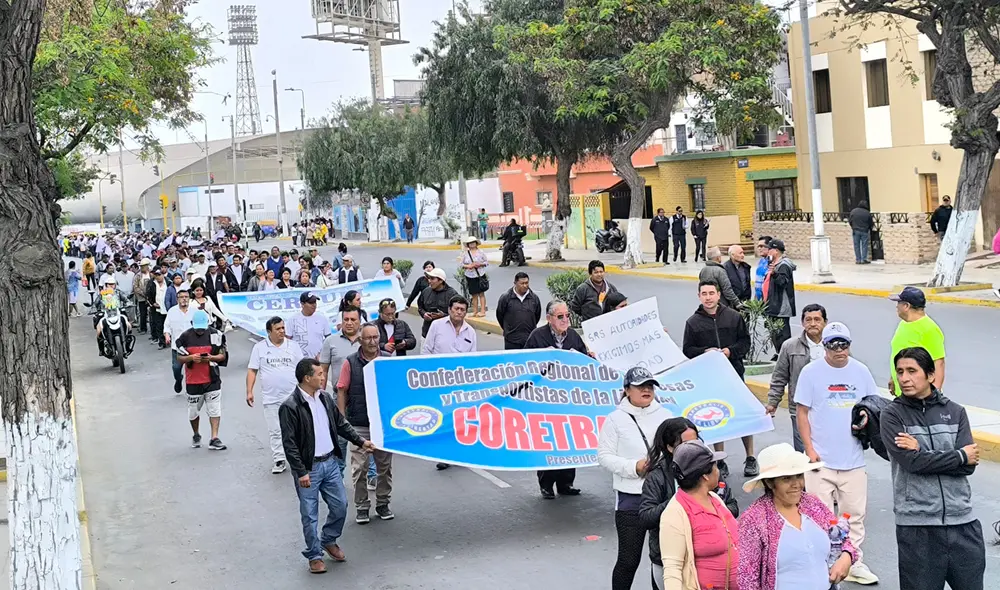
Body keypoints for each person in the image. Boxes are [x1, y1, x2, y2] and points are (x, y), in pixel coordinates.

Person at [880, 347, 985, 590]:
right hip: (917, 528)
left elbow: (969, 467)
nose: (904, 378)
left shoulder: (956, 412)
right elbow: (912, 464)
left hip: (963, 522)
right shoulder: (892, 415)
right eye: (900, 372)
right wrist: (959, 456)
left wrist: (923, 451)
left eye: (911, 371)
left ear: (930, 375)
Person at [794, 321, 880, 585]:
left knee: (854, 515)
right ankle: (823, 561)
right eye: (834, 345)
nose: (840, 350)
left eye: (844, 344)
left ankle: (854, 561)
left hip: (853, 460)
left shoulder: (861, 372)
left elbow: (874, 407)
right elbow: (802, 413)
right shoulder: (811, 373)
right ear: (825, 346)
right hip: (822, 460)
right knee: (821, 516)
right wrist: (809, 449)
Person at [280, 358, 376, 574]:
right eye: (319, 374)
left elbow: (340, 424)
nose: (323, 377)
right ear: (307, 378)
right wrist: (300, 471)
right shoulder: (290, 406)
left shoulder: (324, 398)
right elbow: (290, 443)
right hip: (309, 469)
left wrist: (361, 442)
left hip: (331, 463)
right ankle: (314, 555)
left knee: (340, 505)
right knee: (310, 514)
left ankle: (329, 539)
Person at [737, 443, 856, 590]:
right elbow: (747, 578)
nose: (796, 484)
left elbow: (842, 538)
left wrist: (846, 556)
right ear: (769, 482)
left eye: (799, 476)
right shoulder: (754, 519)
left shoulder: (812, 504)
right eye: (786, 478)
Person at [598, 366, 673, 590]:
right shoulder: (615, 419)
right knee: (629, 560)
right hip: (631, 498)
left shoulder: (667, 416)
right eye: (640, 386)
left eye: (650, 385)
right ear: (627, 390)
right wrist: (634, 467)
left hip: (664, 497)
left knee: (663, 559)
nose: (646, 390)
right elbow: (604, 457)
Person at [682, 281, 757, 477]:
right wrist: (704, 352)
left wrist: (730, 351)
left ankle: (750, 457)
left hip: (734, 374)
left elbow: (745, 343)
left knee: (742, 415)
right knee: (716, 416)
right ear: (699, 296)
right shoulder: (692, 322)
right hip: (709, 378)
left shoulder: (734, 317)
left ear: (718, 295)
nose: (708, 297)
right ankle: (719, 459)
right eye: (704, 293)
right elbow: (687, 350)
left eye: (711, 293)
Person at [524, 300, 589, 498]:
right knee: (549, 444)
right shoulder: (537, 337)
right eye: (560, 316)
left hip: (569, 401)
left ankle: (566, 484)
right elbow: (526, 366)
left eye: (567, 315)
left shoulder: (573, 337)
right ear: (549, 318)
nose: (565, 320)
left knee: (569, 442)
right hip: (546, 402)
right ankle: (546, 484)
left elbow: (584, 363)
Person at [336, 323, 394, 524]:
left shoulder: (387, 360)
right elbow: (341, 390)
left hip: (383, 424)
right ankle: (362, 506)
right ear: (361, 340)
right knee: (359, 468)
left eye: (376, 337)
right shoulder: (350, 363)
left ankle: (383, 503)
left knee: (384, 467)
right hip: (358, 425)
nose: (373, 342)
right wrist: (342, 420)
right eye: (368, 338)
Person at [658, 440, 736, 590]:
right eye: (714, 465)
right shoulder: (674, 513)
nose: (718, 470)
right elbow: (672, 569)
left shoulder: (715, 499)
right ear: (705, 476)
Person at [638, 419, 700, 590]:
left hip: (704, 556)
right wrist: (680, 500)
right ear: (670, 448)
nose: (694, 449)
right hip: (667, 559)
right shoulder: (657, 476)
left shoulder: (708, 470)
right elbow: (646, 517)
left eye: (696, 442)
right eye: (686, 444)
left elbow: (731, 507)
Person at [247, 317, 305, 475]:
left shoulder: (293, 346)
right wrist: (249, 391)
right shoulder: (259, 348)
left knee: (296, 428)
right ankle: (279, 458)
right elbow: (253, 370)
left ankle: (298, 458)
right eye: (278, 329)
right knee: (275, 430)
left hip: (293, 397)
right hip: (271, 397)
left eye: (283, 328)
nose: (282, 331)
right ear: (269, 332)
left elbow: (302, 368)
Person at [766, 303, 827, 452]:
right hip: (800, 408)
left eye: (817, 319)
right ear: (802, 323)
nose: (813, 324)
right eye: (808, 320)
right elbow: (779, 377)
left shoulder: (834, 345)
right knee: (803, 452)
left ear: (825, 322)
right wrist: (772, 403)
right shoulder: (790, 346)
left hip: (828, 406)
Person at [175, 310, 229, 451]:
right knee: (193, 411)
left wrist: (210, 357)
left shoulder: (216, 335)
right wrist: (191, 358)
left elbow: (222, 356)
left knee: (214, 409)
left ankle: (214, 438)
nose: (200, 331)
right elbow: (179, 358)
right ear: (192, 324)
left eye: (202, 328)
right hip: (193, 381)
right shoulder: (185, 337)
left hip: (212, 379)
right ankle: (196, 433)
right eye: (197, 328)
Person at [888, 286, 945, 395]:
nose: (896, 307)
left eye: (898, 303)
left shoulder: (929, 329)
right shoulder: (904, 323)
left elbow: (939, 363)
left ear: (906, 306)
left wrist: (934, 396)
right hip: (903, 391)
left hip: (918, 396)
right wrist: (893, 378)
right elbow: (898, 352)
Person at [763, 239, 796, 354]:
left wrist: (774, 274)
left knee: (782, 335)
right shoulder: (773, 265)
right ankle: (779, 354)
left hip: (781, 307)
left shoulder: (783, 266)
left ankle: (785, 356)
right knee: (774, 333)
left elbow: (783, 282)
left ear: (776, 251)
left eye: (769, 249)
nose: (767, 252)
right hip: (772, 305)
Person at [163, 286, 197, 394]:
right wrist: (167, 335)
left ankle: (191, 388)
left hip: (192, 346)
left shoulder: (194, 311)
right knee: (176, 368)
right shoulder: (172, 311)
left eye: (186, 297)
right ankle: (178, 379)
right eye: (181, 297)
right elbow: (167, 326)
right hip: (177, 347)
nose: (184, 299)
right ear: (177, 299)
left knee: (192, 369)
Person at [495, 272, 542, 350]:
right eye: (522, 283)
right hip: (511, 340)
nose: (525, 285)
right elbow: (500, 315)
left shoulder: (534, 298)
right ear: (515, 283)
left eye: (526, 283)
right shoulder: (506, 298)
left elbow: (537, 316)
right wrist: (508, 329)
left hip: (529, 339)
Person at [287, 292, 332, 360]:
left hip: (318, 360)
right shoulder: (292, 319)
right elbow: (287, 340)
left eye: (315, 302)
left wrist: (322, 353)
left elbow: (328, 339)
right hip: (298, 361)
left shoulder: (322, 318)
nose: (314, 305)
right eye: (311, 303)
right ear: (302, 304)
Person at [417, 267, 459, 337]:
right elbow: (420, 307)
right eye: (429, 278)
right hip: (427, 333)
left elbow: (458, 314)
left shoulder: (452, 294)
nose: (429, 281)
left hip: (446, 334)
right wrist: (424, 314)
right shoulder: (426, 292)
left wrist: (444, 316)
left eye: (432, 279)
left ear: (441, 280)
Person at [461, 236, 490, 317]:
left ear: (476, 243)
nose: (472, 244)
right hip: (470, 275)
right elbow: (461, 264)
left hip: (480, 274)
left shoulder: (481, 252)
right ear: (468, 245)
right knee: (474, 294)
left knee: (481, 293)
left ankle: (483, 311)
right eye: (470, 243)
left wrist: (480, 264)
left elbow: (486, 262)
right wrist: (469, 266)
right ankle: (475, 311)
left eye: (473, 242)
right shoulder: (465, 253)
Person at [146, 268, 169, 348]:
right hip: (157, 309)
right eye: (156, 275)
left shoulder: (168, 283)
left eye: (159, 275)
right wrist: (153, 304)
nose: (158, 277)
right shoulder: (152, 284)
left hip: (167, 307)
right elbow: (148, 296)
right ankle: (162, 342)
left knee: (168, 325)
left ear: (163, 275)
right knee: (159, 326)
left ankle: (169, 340)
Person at [132, 259, 152, 333]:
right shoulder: (138, 276)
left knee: (152, 314)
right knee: (142, 313)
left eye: (144, 266)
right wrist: (142, 293)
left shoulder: (151, 274)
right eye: (141, 266)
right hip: (141, 298)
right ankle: (143, 328)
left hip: (151, 297)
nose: (142, 268)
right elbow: (135, 287)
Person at [753, 235, 771, 301]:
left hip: (767, 300)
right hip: (759, 299)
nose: (759, 249)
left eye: (761, 246)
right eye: (758, 247)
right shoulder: (761, 261)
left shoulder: (772, 263)